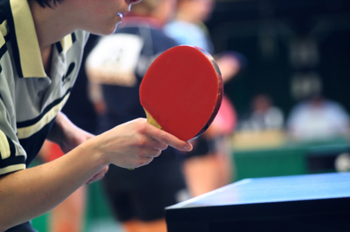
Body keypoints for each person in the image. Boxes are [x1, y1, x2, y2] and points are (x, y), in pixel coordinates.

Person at [0, 0, 193, 231]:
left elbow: (14, 92)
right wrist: (100, 150)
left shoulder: (77, 31)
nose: (136, 0)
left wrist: (61, 127)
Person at [85, 0, 190, 232]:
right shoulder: (167, 44)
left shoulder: (103, 42)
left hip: (113, 158)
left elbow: (98, 102)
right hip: (154, 159)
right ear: (162, 5)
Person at [164, 0, 242, 196]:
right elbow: (184, 81)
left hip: (209, 122)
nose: (209, 4)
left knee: (224, 190)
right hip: (197, 127)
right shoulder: (174, 31)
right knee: (203, 198)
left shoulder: (197, 29)